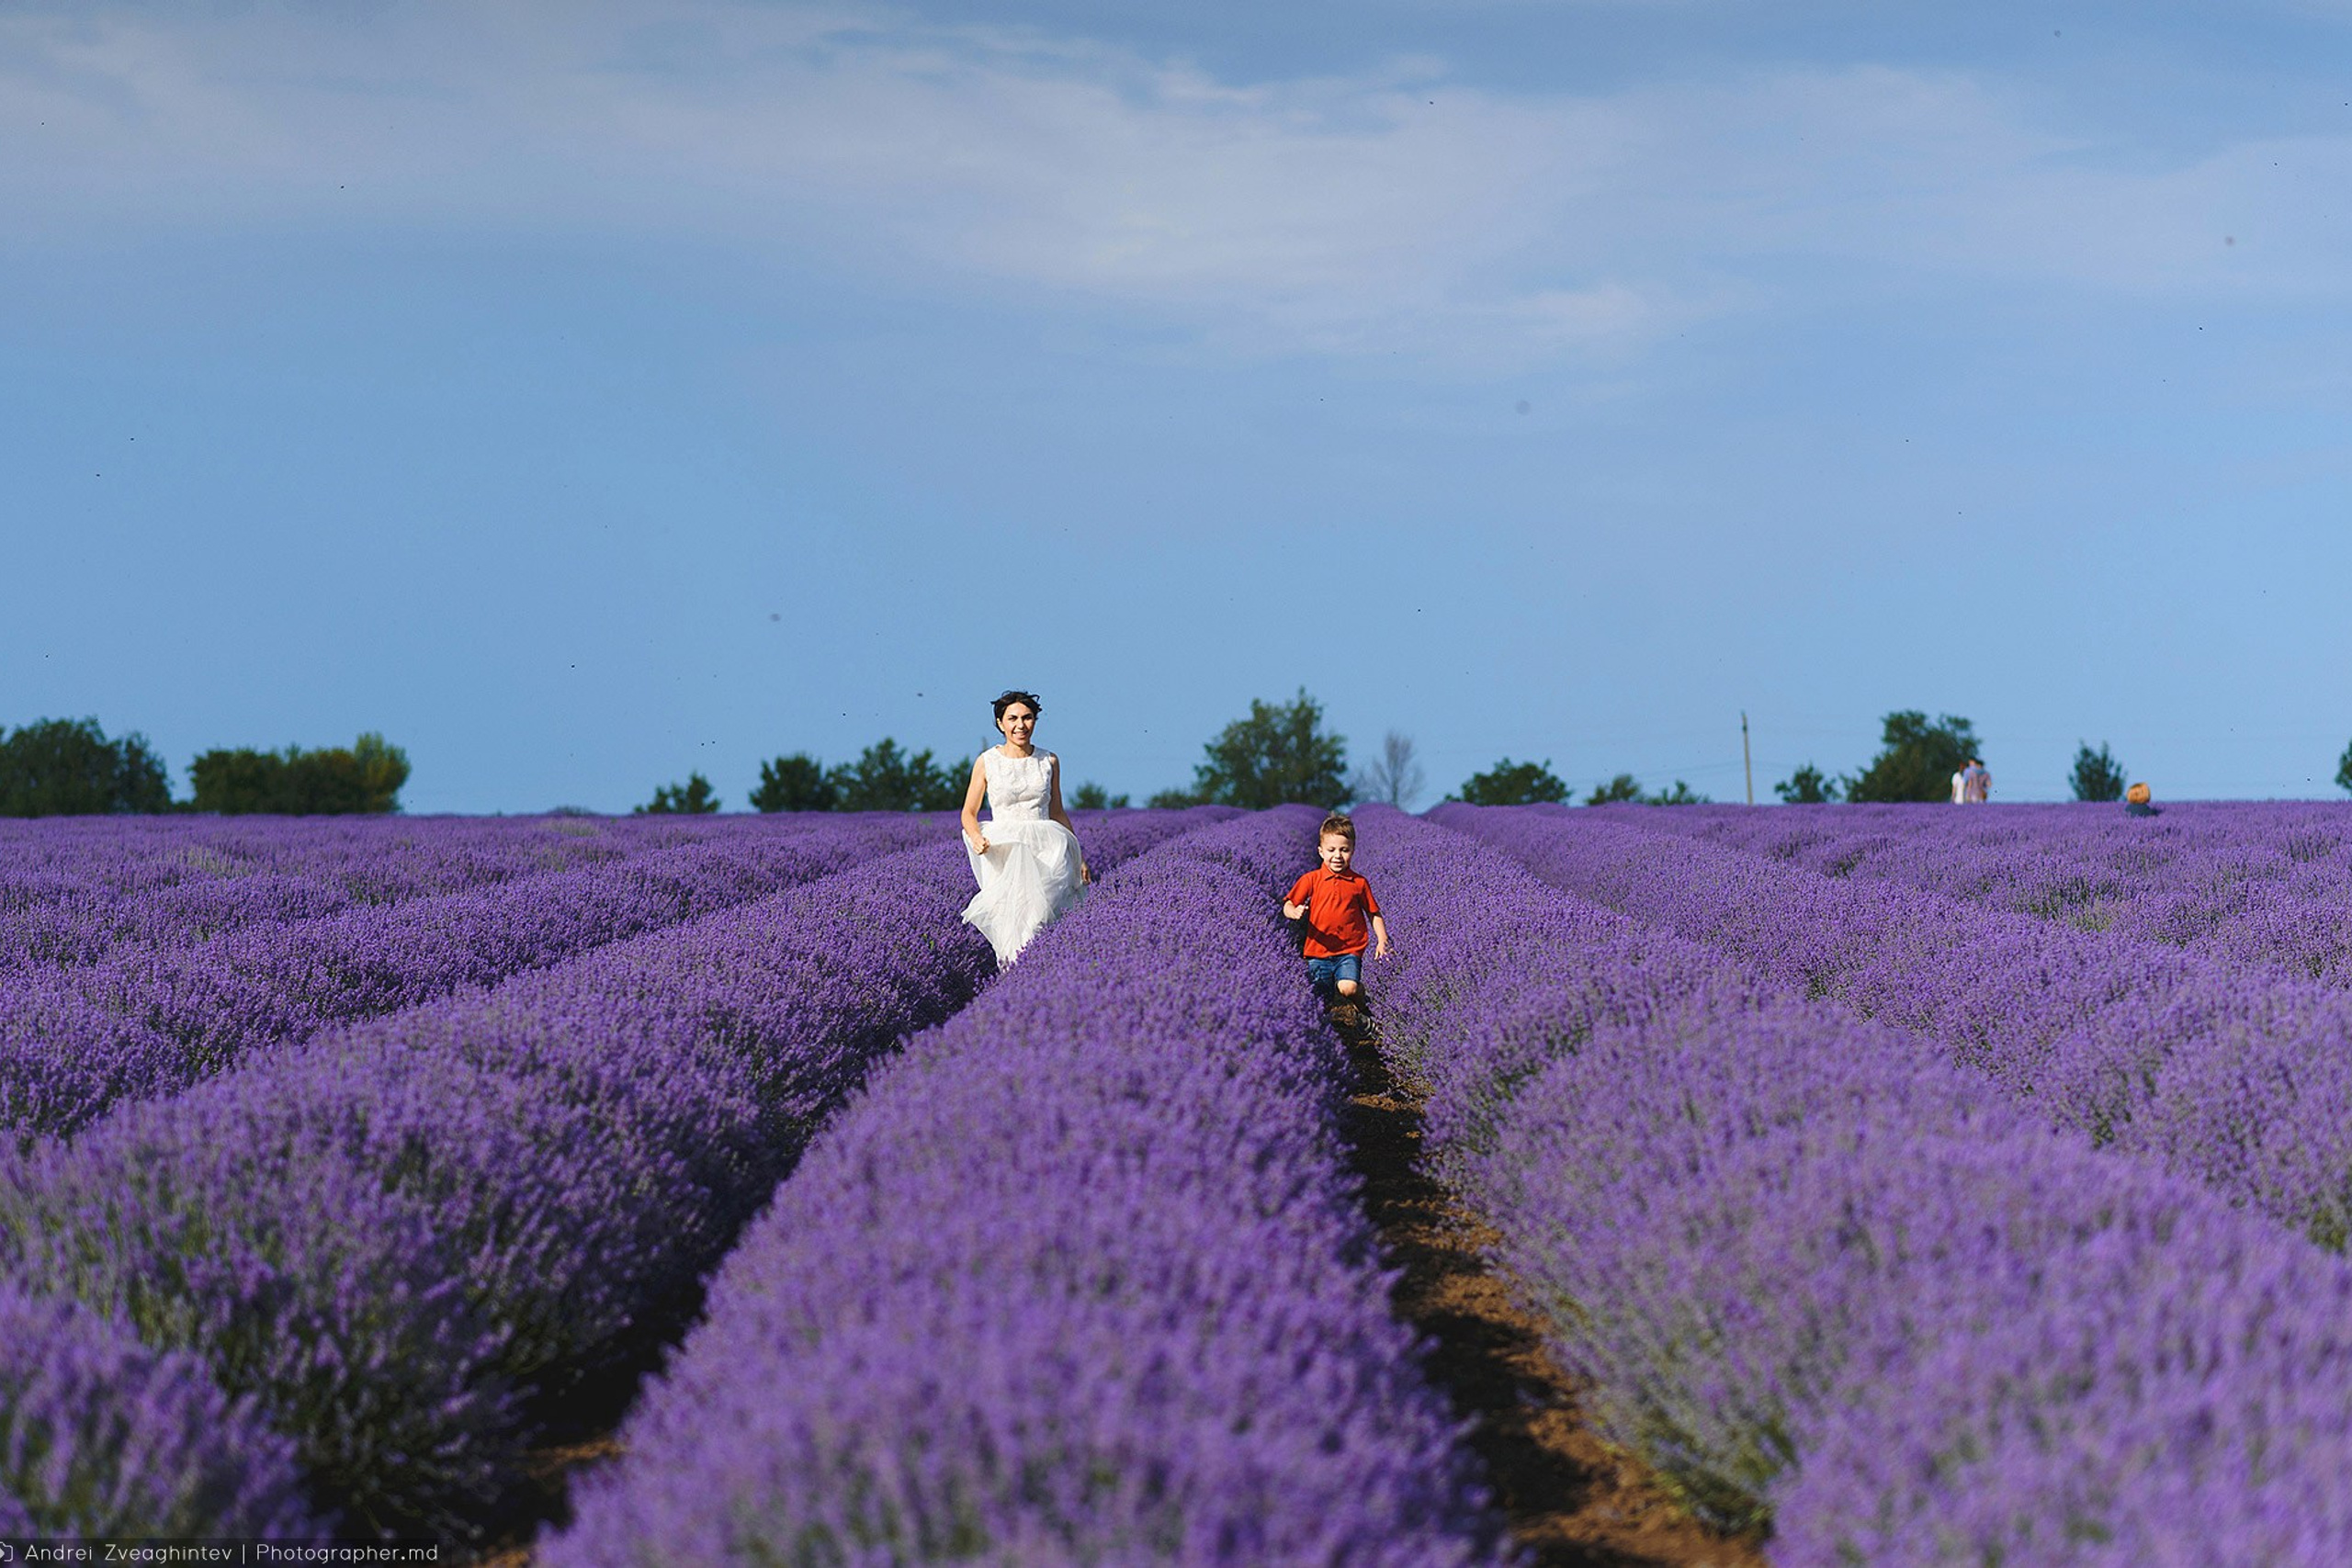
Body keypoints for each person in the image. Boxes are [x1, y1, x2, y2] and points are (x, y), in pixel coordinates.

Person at [960, 690, 1089, 966]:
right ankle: (1015, 979)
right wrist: (976, 837)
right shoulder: (987, 761)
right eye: (1013, 718)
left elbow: (1057, 812)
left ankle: (1037, 974)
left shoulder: (1049, 761)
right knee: (1010, 920)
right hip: (1004, 848)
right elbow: (968, 813)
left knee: (1038, 919)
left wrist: (1079, 857)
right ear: (1000, 723)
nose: (1021, 725)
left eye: (1028, 718)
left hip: (1046, 846)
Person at [1281, 813, 1389, 1006]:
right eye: (1331, 850)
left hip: (1349, 950)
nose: (1337, 856)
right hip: (1318, 951)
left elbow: (1373, 913)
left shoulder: (1359, 882)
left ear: (1353, 851)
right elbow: (1288, 904)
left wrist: (1382, 940)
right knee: (1322, 999)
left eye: (1344, 850)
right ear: (1321, 852)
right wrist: (1294, 912)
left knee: (1348, 988)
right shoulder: (1311, 879)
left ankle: (1364, 1006)